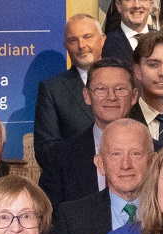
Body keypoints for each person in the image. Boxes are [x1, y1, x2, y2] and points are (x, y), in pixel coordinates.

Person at [42, 118, 152, 234]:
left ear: (153, 161)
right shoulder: (72, 219)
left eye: (135, 153)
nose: (126, 164)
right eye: (116, 154)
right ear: (100, 163)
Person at [38, 59, 137, 206]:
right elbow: (49, 220)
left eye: (120, 89)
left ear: (134, 96)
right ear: (87, 96)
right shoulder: (60, 159)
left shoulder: (158, 153)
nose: (111, 97)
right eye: (101, 89)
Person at [36, 15, 107, 148]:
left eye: (87, 37)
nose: (81, 45)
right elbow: (46, 149)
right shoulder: (53, 90)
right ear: (66, 46)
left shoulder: (126, 80)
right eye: (73, 40)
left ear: (102, 40)